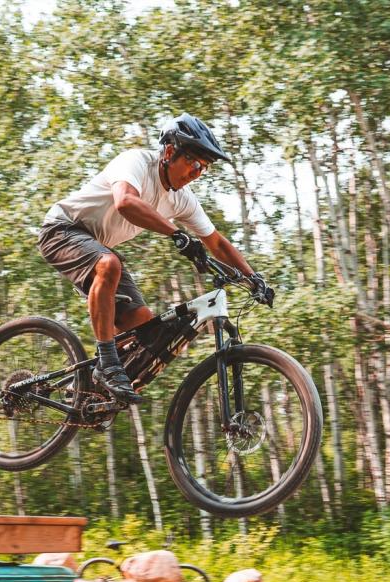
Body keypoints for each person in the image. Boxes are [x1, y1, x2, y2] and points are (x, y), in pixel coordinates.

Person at [37, 113, 273, 405]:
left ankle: (92, 393)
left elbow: (217, 243)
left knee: (145, 327)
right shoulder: (136, 162)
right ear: (170, 152)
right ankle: (107, 365)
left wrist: (254, 278)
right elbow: (125, 202)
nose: (197, 172)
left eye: (205, 168)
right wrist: (177, 234)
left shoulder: (181, 199)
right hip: (61, 230)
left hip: (96, 246)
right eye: (194, 162)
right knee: (108, 264)